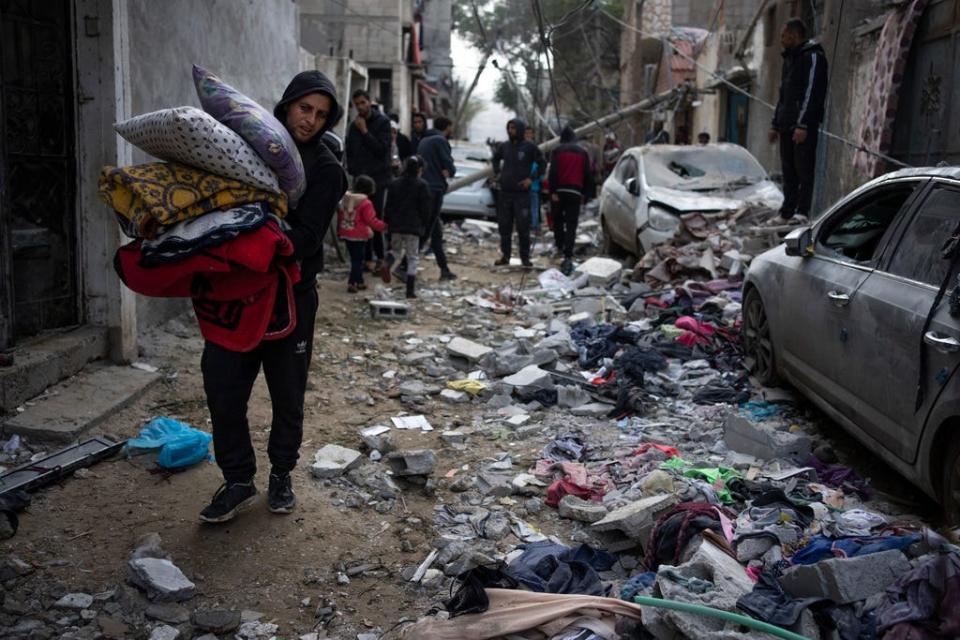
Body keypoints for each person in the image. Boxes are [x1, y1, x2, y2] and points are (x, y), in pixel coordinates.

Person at [199, 70, 347, 523]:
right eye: (305, 108)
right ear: (287, 105)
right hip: (236, 292)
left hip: (292, 295)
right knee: (223, 391)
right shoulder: (249, 144)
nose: (310, 121)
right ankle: (238, 479)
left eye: (321, 115)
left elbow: (305, 238)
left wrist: (259, 238)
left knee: (287, 394)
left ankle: (281, 474)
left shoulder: (326, 170)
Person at [769, 18, 828, 222]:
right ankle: (787, 211)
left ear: (794, 35)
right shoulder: (790, 59)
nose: (781, 39)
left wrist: (803, 124)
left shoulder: (812, 56)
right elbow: (784, 94)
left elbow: (811, 93)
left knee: (803, 169)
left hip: (802, 126)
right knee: (789, 170)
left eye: (784, 35)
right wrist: (775, 124)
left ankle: (802, 212)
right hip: (787, 125)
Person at [345, 89, 391, 273]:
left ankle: (380, 257)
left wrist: (365, 132)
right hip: (360, 181)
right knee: (359, 220)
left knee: (374, 218)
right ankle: (365, 259)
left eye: (363, 103)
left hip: (378, 180)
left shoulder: (382, 122)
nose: (361, 107)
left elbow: (382, 150)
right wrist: (353, 171)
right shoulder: (353, 126)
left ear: (370, 102)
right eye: (357, 105)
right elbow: (350, 151)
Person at [492, 117, 544, 267]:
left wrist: (531, 179)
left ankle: (525, 258)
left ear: (520, 129)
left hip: (522, 194)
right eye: (509, 128)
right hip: (505, 193)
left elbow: (542, 163)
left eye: (513, 128)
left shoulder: (529, 147)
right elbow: (495, 158)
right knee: (504, 227)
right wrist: (497, 174)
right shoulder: (505, 146)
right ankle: (505, 257)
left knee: (523, 228)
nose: (510, 131)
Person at [416, 115, 458, 281]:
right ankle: (404, 264)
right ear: (447, 127)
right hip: (433, 190)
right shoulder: (440, 141)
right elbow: (449, 165)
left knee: (435, 232)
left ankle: (444, 269)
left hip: (425, 188)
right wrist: (450, 170)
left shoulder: (424, 140)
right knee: (426, 230)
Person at [548, 126, 594, 276]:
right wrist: (585, 194)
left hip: (559, 191)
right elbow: (587, 174)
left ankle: (560, 245)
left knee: (558, 220)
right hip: (575, 192)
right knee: (572, 224)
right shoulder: (583, 153)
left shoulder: (557, 151)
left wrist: (553, 191)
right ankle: (568, 253)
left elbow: (553, 171)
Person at [385, 156, 432, 298]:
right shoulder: (422, 185)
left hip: (396, 225)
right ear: (419, 169)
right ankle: (410, 291)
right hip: (413, 227)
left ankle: (387, 264)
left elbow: (389, 206)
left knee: (395, 251)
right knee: (412, 257)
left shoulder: (395, 183)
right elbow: (426, 209)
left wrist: (388, 222)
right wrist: (424, 224)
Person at [338, 175, 386, 293]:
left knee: (355, 258)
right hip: (359, 235)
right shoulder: (366, 203)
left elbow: (340, 216)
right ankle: (352, 283)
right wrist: (384, 226)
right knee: (358, 260)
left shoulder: (346, 199)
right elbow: (371, 220)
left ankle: (359, 281)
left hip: (346, 232)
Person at [524, 127, 543, 230]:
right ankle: (531, 223)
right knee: (529, 206)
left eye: (529, 134)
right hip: (526, 186)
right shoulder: (519, 147)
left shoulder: (535, 150)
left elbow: (540, 166)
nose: (527, 136)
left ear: (532, 135)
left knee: (534, 206)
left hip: (533, 186)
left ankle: (533, 224)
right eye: (525, 134)